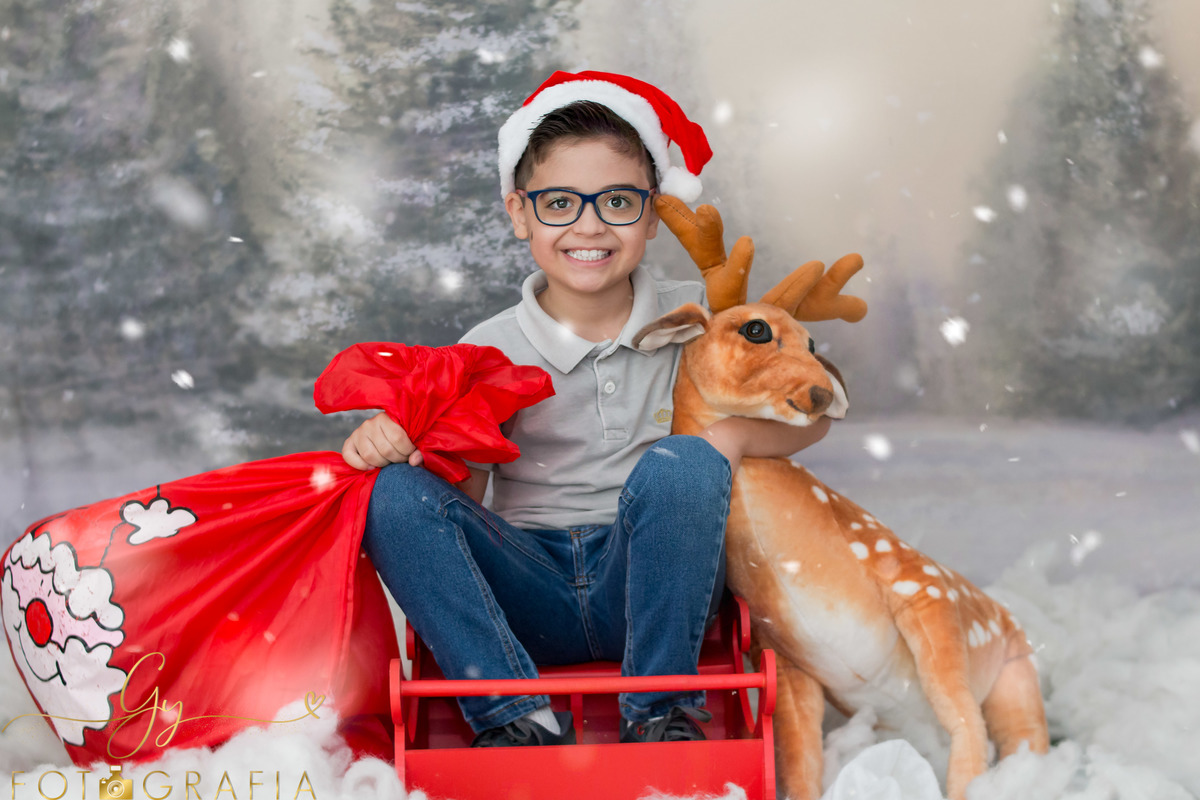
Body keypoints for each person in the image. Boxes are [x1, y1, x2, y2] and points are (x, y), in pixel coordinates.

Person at [342, 71, 831, 747]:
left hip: (652, 586)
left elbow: (815, 410)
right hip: (524, 593)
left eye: (619, 201)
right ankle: (510, 715)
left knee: (684, 462)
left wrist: (727, 437)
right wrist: (408, 446)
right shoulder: (488, 347)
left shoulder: (701, 321)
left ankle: (660, 710)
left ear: (655, 212)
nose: (590, 225)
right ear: (520, 213)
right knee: (391, 493)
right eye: (560, 203)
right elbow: (468, 492)